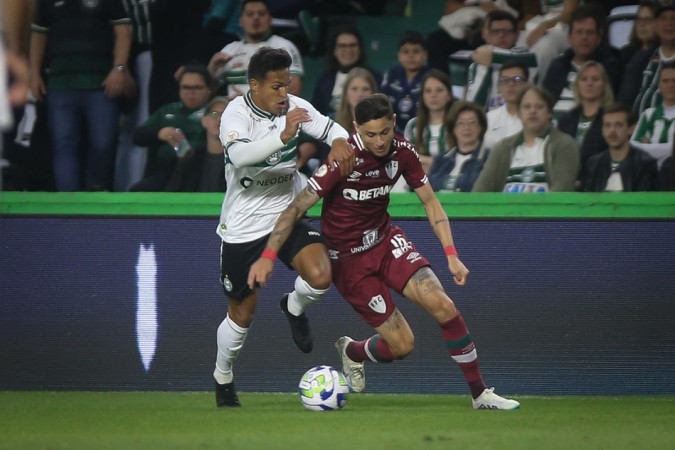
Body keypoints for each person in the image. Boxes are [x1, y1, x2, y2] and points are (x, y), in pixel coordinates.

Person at [248, 93, 519, 410]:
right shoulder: (342, 159)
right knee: (403, 346)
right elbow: (295, 209)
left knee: (443, 305)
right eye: (370, 134)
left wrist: (451, 254)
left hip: (386, 241)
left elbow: (431, 202)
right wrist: (267, 258)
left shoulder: (404, 152)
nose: (378, 142)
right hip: (348, 261)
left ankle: (480, 394)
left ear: (393, 123)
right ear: (356, 129)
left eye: (384, 132)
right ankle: (353, 351)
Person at [212, 47, 354, 407]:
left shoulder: (294, 106)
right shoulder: (236, 114)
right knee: (241, 315)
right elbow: (238, 155)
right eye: (276, 87)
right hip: (243, 228)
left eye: (287, 84)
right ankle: (223, 375)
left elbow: (330, 126)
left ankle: (292, 306)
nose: (283, 93)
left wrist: (338, 141)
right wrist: (284, 135)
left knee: (322, 275)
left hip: (286, 214)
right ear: (254, 84)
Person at [29, 0, 132, 191]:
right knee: (63, 143)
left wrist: (118, 69)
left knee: (103, 142)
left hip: (101, 82)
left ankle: (96, 193)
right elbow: (38, 34)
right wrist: (34, 73)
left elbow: (123, 31)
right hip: (60, 82)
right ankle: (67, 200)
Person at [472, 85, 579, 192]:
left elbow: (561, 192)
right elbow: (480, 192)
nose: (533, 111)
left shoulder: (564, 144)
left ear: (549, 113)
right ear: (518, 113)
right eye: (527, 107)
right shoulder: (502, 148)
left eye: (539, 107)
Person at [131, 65, 213, 192]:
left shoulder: (215, 111)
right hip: (165, 174)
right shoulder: (168, 111)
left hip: (201, 173)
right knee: (137, 190)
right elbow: (137, 136)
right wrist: (159, 133)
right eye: (186, 87)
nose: (191, 93)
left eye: (197, 88)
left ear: (209, 89)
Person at [207, 0, 304, 97]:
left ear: (270, 19)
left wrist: (250, 102)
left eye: (261, 14)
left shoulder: (284, 47)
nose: (256, 18)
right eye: (250, 14)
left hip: (270, 110)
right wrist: (211, 69)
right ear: (241, 21)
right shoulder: (229, 49)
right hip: (233, 109)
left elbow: (294, 89)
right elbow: (207, 92)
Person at [541, 4, 621, 117]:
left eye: (590, 32)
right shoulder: (558, 65)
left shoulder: (610, 67)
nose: (584, 38)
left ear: (598, 38)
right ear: (569, 38)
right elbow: (543, 104)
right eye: (579, 32)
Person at [464, 10, 537, 112]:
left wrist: (489, 56)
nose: (501, 35)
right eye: (495, 31)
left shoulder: (526, 56)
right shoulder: (477, 62)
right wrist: (486, 66)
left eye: (507, 31)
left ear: (517, 35)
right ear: (487, 35)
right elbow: (475, 105)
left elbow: (529, 59)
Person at [557, 61, 614, 184]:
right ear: (577, 85)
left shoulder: (611, 119)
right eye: (584, 79)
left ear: (604, 85)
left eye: (595, 79)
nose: (589, 83)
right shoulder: (565, 121)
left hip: (600, 184)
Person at [311, 24, 382, 117]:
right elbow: (315, 113)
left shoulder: (375, 77)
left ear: (360, 49)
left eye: (353, 45)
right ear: (334, 50)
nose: (348, 50)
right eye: (342, 46)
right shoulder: (324, 79)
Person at [584, 102, 658, 192]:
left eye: (618, 125)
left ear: (631, 129)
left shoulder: (646, 164)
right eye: (607, 125)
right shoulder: (593, 163)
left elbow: (642, 203)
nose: (612, 131)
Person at [618, 4, 675, 115]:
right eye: (663, 18)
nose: (669, 24)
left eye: (674, 18)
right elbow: (625, 97)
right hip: (637, 126)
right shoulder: (641, 58)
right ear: (657, 25)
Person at [428, 101, 490, 192]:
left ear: (481, 127)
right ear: (453, 128)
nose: (466, 128)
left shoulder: (489, 158)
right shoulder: (441, 160)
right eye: (461, 123)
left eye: (472, 122)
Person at [404, 69, 455, 173]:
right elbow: (407, 158)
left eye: (439, 90)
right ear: (422, 96)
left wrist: (428, 162)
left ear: (449, 95)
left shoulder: (457, 123)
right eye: (428, 91)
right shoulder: (413, 125)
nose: (433, 95)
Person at [380, 30, 430, 134]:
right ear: (398, 55)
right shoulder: (391, 74)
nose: (411, 56)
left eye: (416, 51)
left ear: (425, 55)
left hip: (422, 131)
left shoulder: (431, 76)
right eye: (405, 51)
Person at [630, 60, 675, 170]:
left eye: (674, 81)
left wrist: (649, 144)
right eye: (665, 81)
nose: (670, 85)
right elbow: (633, 148)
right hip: (650, 176)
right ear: (659, 85)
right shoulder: (648, 114)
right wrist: (668, 147)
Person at [483, 59, 528, 150]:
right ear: (499, 86)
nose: (511, 84)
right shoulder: (489, 119)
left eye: (517, 79)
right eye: (505, 80)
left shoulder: (534, 118)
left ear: (527, 84)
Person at [334, 67, 379, 136]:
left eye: (365, 89)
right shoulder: (333, 124)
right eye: (354, 89)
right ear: (346, 92)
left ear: (373, 93)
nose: (360, 94)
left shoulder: (385, 124)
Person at [619, 1, 658, 68]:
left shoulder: (663, 52)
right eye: (639, 19)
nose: (642, 24)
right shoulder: (625, 54)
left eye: (648, 20)